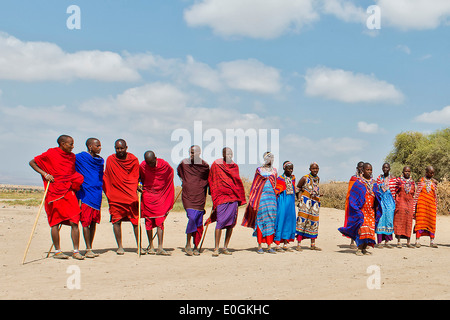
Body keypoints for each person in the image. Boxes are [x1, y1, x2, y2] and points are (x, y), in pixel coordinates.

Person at [29, 135, 85, 260]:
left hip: (68, 192)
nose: (72, 146)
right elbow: (32, 162)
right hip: (54, 192)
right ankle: (58, 251)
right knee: (55, 222)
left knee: (75, 220)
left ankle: (76, 251)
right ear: (62, 143)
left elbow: (71, 173)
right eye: (70, 144)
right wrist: (45, 174)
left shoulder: (72, 157)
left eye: (73, 144)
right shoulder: (51, 153)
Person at [103, 139, 142, 255]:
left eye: (122, 148)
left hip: (130, 195)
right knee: (116, 221)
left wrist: (138, 185)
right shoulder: (110, 159)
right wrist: (109, 191)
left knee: (136, 221)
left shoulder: (133, 160)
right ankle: (120, 246)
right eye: (117, 148)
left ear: (126, 147)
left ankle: (139, 246)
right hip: (115, 196)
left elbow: (136, 176)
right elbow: (107, 176)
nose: (119, 150)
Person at [208, 147, 247, 257]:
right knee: (220, 222)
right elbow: (211, 179)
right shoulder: (216, 164)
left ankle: (225, 247)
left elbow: (237, 181)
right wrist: (213, 196)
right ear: (223, 154)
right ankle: (216, 248)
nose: (229, 155)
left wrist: (239, 196)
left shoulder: (235, 166)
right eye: (227, 154)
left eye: (231, 154)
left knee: (231, 224)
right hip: (221, 198)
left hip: (233, 197)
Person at [338, 163, 382, 256]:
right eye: (367, 170)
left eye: (370, 170)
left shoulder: (374, 183)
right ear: (363, 171)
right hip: (361, 211)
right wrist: (356, 210)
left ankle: (365, 249)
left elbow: (377, 196)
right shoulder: (358, 183)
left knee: (370, 230)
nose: (369, 171)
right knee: (362, 229)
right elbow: (352, 198)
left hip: (371, 211)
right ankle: (359, 248)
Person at [139, 151, 175, 256]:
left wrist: (164, 188)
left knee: (160, 222)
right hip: (148, 195)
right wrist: (139, 184)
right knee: (148, 222)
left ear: (156, 158)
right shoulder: (142, 166)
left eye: (151, 162)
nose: (149, 165)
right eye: (148, 163)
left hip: (160, 196)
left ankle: (160, 247)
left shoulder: (163, 164)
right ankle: (151, 246)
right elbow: (139, 177)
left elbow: (170, 174)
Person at [177, 145, 210, 256]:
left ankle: (196, 246)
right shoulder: (184, 163)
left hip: (200, 197)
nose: (192, 155)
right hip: (188, 196)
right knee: (192, 218)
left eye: (194, 153)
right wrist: (184, 182)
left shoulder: (205, 166)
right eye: (190, 152)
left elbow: (208, 179)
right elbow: (179, 172)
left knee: (198, 222)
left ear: (199, 153)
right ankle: (188, 244)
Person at [242, 152, 278, 254]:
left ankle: (269, 245)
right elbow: (255, 185)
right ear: (264, 159)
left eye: (272, 158)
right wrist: (253, 199)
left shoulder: (274, 171)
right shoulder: (259, 170)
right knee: (261, 220)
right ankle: (259, 246)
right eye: (269, 158)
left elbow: (276, 185)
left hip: (272, 200)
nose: (271, 159)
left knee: (271, 220)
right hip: (261, 198)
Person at [75, 138, 104, 258]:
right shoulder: (80, 158)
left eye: (100, 145)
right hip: (85, 194)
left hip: (97, 194)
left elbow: (100, 176)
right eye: (97, 146)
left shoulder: (100, 161)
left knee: (93, 222)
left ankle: (89, 247)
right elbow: (69, 165)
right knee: (85, 222)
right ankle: (87, 249)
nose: (100, 148)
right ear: (90, 147)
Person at [296, 162, 322, 251]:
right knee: (302, 222)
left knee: (314, 222)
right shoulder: (305, 178)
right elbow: (298, 188)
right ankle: (298, 245)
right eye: (313, 168)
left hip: (315, 203)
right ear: (310, 169)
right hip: (305, 204)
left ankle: (313, 244)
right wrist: (299, 199)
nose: (315, 170)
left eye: (316, 168)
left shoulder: (317, 179)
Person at [413, 166, 439, 248]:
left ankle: (432, 241)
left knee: (431, 223)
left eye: (433, 173)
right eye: (431, 173)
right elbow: (417, 195)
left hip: (431, 207)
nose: (432, 174)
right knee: (420, 223)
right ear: (426, 172)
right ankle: (417, 241)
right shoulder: (421, 181)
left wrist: (436, 206)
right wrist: (415, 207)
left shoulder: (434, 182)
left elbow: (435, 196)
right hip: (422, 207)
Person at [274, 161, 296, 252]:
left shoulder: (293, 178)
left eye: (292, 168)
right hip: (282, 202)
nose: (290, 170)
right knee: (281, 221)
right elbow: (276, 191)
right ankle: (278, 244)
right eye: (288, 168)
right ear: (284, 168)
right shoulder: (280, 179)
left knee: (289, 221)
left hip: (290, 202)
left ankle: (286, 244)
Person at [343, 161, 364, 249]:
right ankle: (352, 241)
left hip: (363, 203)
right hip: (354, 203)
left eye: (363, 167)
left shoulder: (367, 179)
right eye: (360, 167)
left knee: (362, 223)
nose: (361, 169)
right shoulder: (353, 178)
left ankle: (362, 242)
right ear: (357, 168)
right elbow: (350, 192)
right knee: (353, 222)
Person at [393, 166, 416, 248]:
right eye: (406, 171)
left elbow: (413, 194)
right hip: (400, 204)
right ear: (403, 172)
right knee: (399, 221)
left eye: (409, 171)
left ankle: (408, 242)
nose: (407, 173)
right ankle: (398, 241)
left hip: (409, 204)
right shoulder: (398, 181)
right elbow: (395, 192)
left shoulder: (412, 182)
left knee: (408, 222)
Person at [375, 163, 396, 248]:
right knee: (380, 220)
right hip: (381, 202)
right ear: (382, 168)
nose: (385, 169)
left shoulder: (393, 179)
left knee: (389, 220)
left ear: (389, 168)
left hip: (390, 202)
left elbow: (398, 188)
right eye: (384, 167)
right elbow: (376, 189)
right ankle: (379, 242)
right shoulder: (379, 178)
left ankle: (387, 242)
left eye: (387, 167)